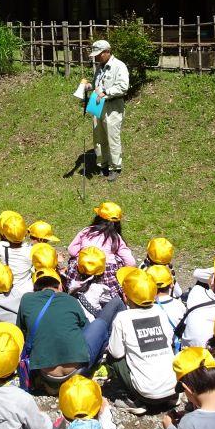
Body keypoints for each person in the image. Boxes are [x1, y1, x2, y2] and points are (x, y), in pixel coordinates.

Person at [16, 267, 124, 389]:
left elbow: (20, 331)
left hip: (45, 374)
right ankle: (101, 363)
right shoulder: (70, 300)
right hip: (76, 371)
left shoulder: (26, 299)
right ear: (60, 286)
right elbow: (86, 329)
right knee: (100, 324)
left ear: (35, 289)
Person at [106, 267, 179, 415]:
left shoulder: (123, 318)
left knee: (112, 358)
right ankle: (169, 398)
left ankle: (133, 400)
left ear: (125, 297)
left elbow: (116, 352)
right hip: (173, 388)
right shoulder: (160, 311)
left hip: (146, 393)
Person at [82, 39, 129, 181]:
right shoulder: (100, 66)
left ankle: (115, 167)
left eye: (99, 54)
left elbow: (123, 86)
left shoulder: (119, 66)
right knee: (99, 136)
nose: (96, 57)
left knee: (112, 137)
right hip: (98, 105)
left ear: (107, 52)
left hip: (113, 106)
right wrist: (90, 86)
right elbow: (98, 84)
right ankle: (103, 164)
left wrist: (106, 92)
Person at [68, 202, 136, 267]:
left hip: (84, 267)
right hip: (106, 271)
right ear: (118, 224)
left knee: (73, 260)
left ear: (98, 218)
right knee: (118, 258)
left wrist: (80, 255)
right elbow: (130, 262)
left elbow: (72, 251)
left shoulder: (87, 231)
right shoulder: (116, 237)